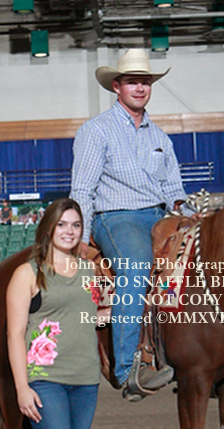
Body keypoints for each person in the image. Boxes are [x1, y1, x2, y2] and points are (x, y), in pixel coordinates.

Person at [70, 48, 186, 400]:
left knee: (202, 258)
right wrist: (80, 236)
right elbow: (83, 188)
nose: (140, 87)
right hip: (117, 217)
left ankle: (198, 358)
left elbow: (174, 191)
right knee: (136, 266)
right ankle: (127, 368)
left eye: (145, 82)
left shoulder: (161, 138)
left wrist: (186, 211)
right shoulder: (96, 131)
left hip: (161, 217)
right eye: (132, 82)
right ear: (116, 86)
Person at [6, 198, 100, 429]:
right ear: (49, 227)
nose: (69, 231)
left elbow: (92, 316)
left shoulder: (89, 271)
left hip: (86, 380)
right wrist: (22, 387)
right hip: (46, 379)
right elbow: (15, 335)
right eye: (62, 224)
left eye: (75, 225)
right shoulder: (27, 274)